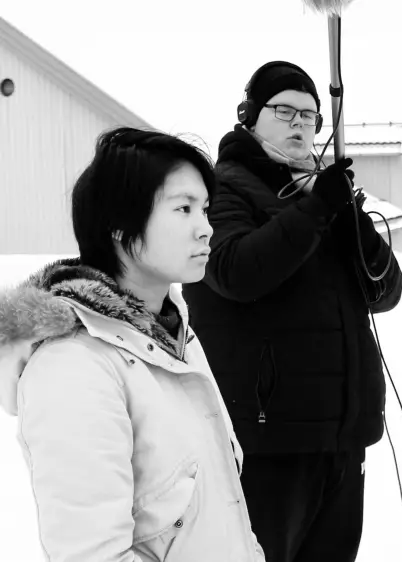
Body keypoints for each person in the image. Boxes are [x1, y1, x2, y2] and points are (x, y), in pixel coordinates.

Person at [0, 127, 265, 561]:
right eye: (183, 208)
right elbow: (93, 553)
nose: (206, 229)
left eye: (205, 209)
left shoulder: (173, 336)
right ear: (120, 227)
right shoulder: (74, 367)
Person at [180, 61, 402, 562]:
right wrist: (316, 209)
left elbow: (386, 292)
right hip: (265, 436)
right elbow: (234, 272)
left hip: (341, 433)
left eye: (310, 115)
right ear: (249, 116)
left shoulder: (322, 194)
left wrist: (350, 220)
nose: (300, 123)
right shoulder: (218, 189)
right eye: (284, 111)